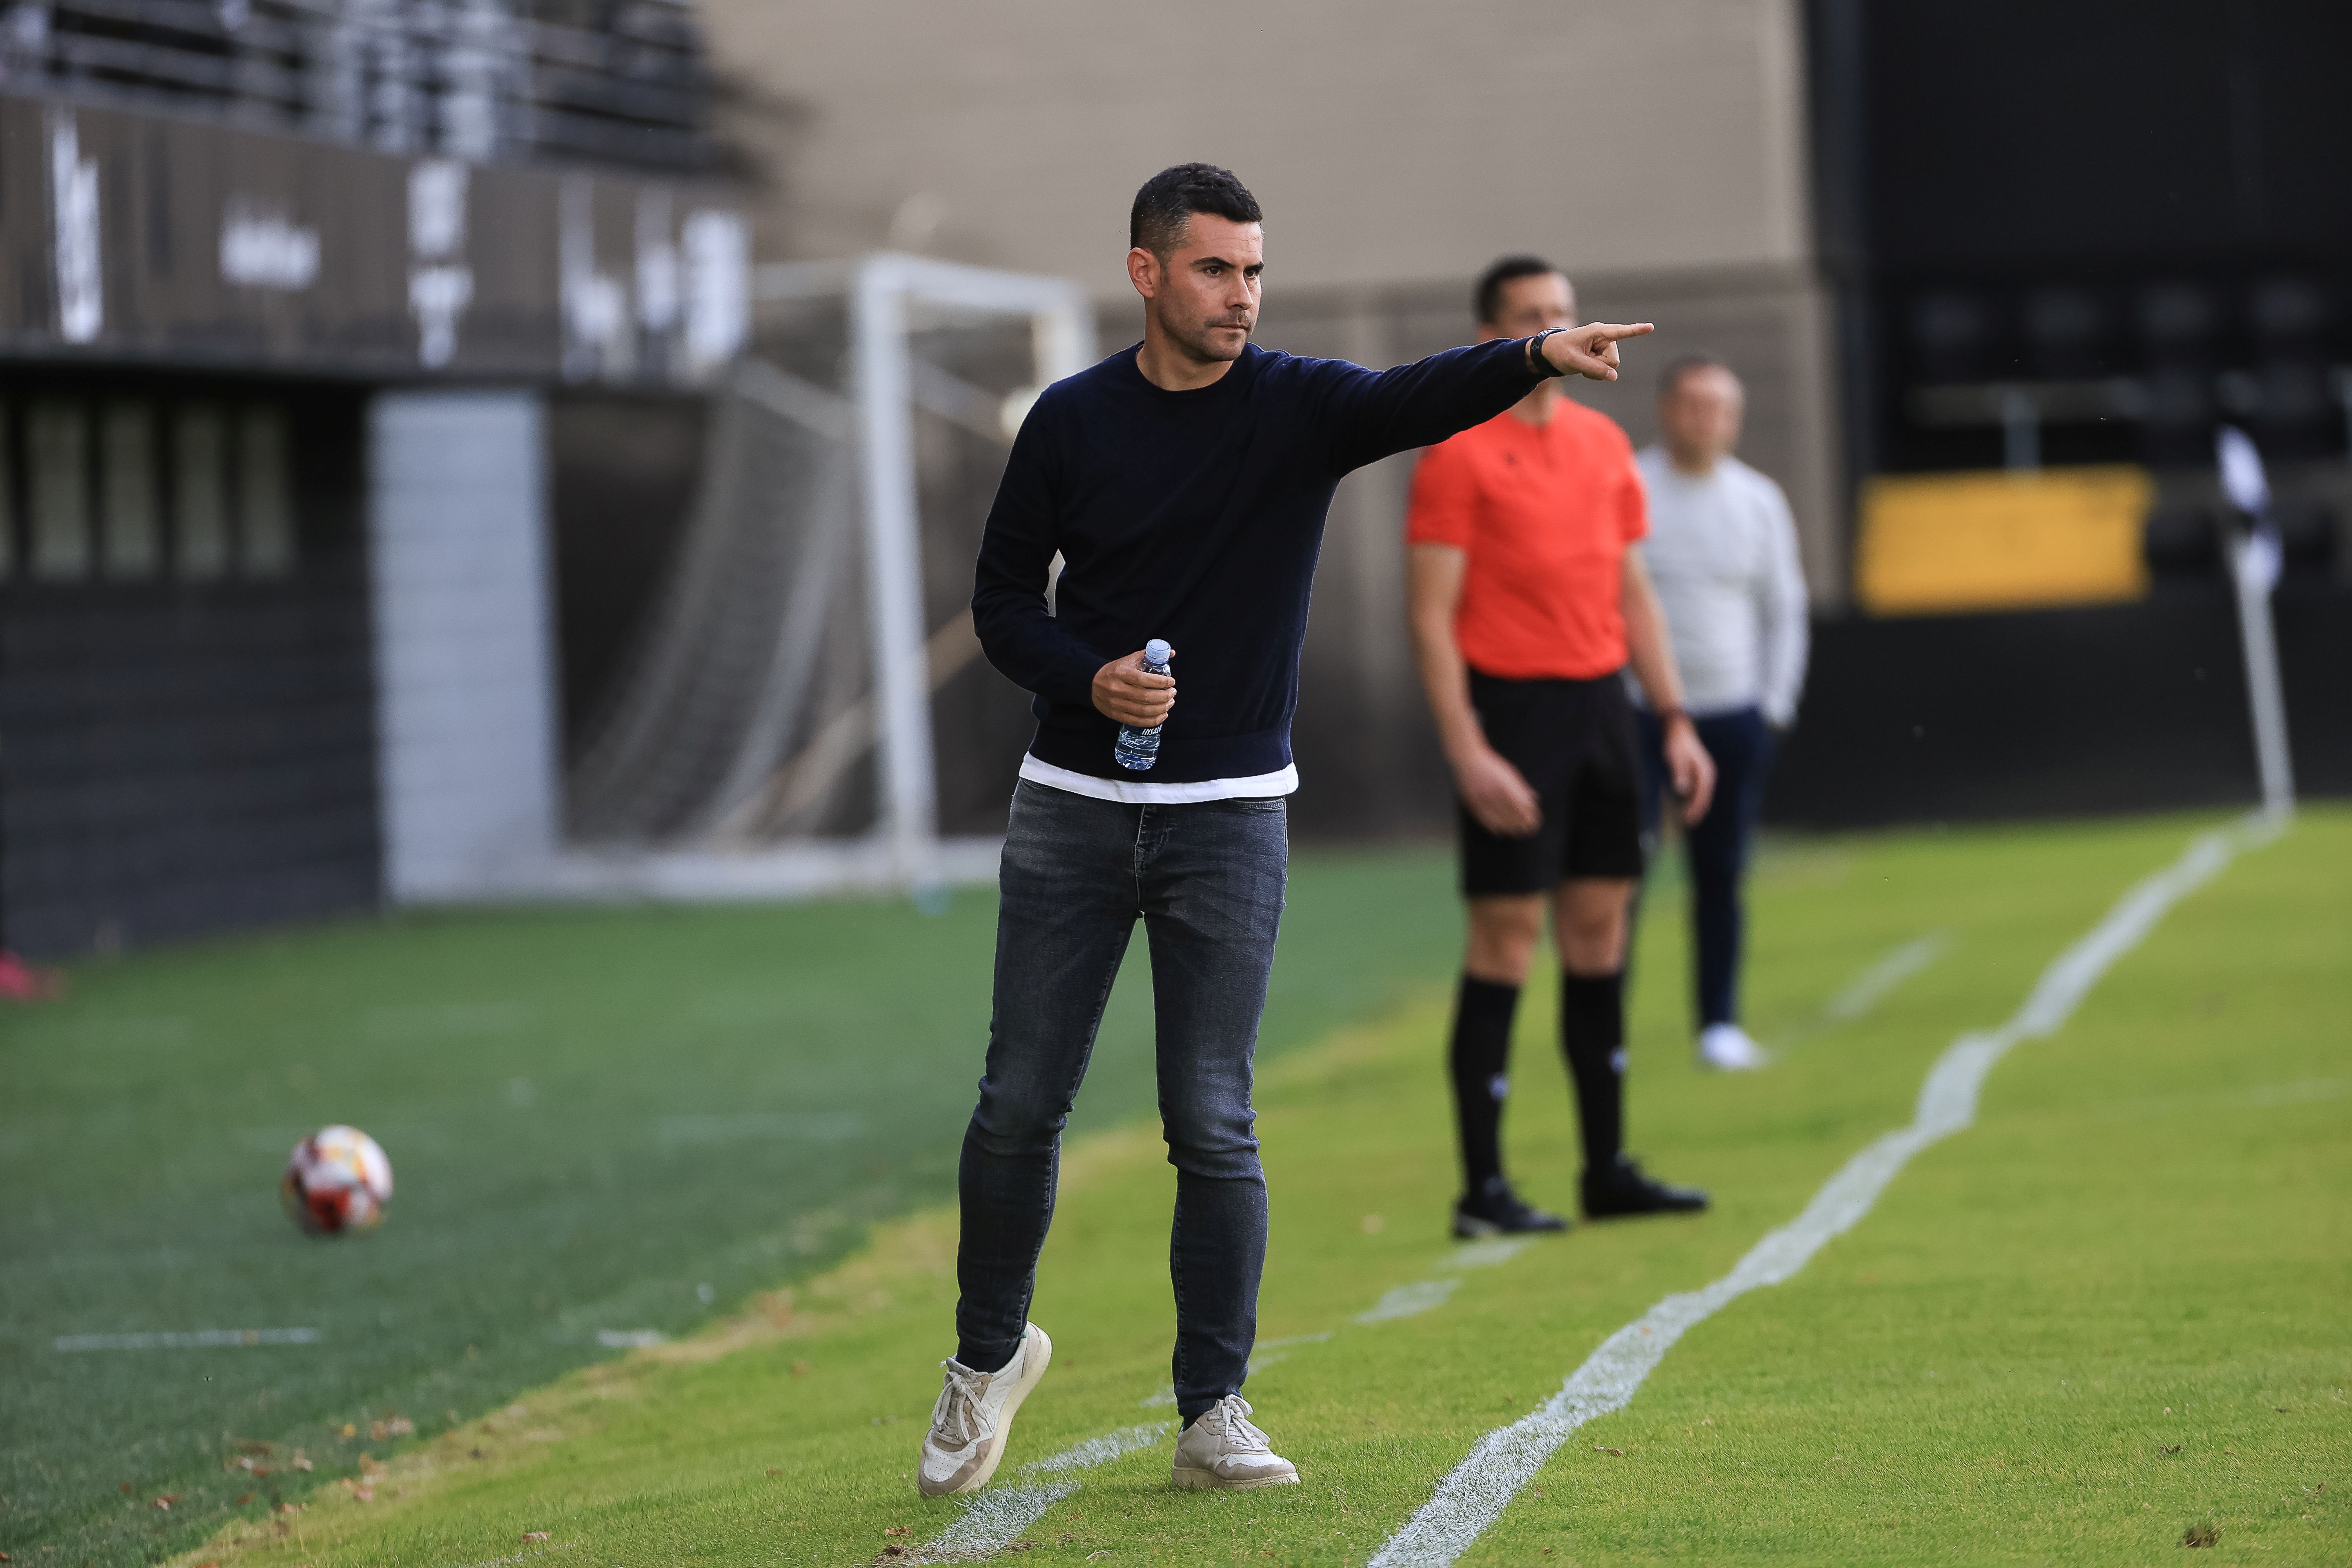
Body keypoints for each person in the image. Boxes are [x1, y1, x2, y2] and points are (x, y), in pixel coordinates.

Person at [920, 171, 1657, 1499]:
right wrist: (1084, 679)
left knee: (1212, 1119)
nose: (1242, 298)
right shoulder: (1074, 422)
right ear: (1147, 274)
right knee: (1019, 1104)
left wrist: (1536, 352)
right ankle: (983, 1363)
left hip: (1229, 819)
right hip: (1073, 812)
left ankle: (1214, 1410)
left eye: (1254, 272)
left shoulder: (1298, 406)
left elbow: (1415, 396)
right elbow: (997, 601)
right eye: (1215, 272)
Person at [1405, 256, 1715, 1240]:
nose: (1561, 328)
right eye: (1534, 317)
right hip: (1511, 715)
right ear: (1498, 334)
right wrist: (1467, 749)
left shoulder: (1605, 446)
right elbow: (1429, 617)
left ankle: (1606, 1165)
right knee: (1506, 939)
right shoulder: (1456, 451)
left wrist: (1671, 717)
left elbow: (1634, 593)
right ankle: (1482, 1187)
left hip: (1602, 711)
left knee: (1602, 931)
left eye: (1565, 312)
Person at [1632, 356, 1809, 1071]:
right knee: (1622, 876)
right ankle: (1605, 1025)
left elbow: (1783, 608)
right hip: (1640, 716)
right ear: (1667, 409)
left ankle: (1719, 1024)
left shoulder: (1759, 500)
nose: (1706, 420)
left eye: (1720, 408)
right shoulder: (1632, 488)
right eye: (1693, 405)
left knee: (1721, 873)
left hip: (1733, 714)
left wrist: (1773, 706)